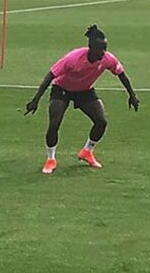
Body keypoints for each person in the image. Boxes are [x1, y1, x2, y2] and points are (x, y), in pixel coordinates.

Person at [24, 25, 139, 175]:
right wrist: (35, 100)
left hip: (84, 91)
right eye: (100, 49)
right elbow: (50, 76)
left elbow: (121, 74)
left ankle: (87, 152)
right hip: (62, 90)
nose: (103, 53)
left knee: (101, 121)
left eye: (105, 48)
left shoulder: (107, 59)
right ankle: (51, 159)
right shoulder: (73, 58)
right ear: (91, 48)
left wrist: (132, 95)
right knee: (54, 123)